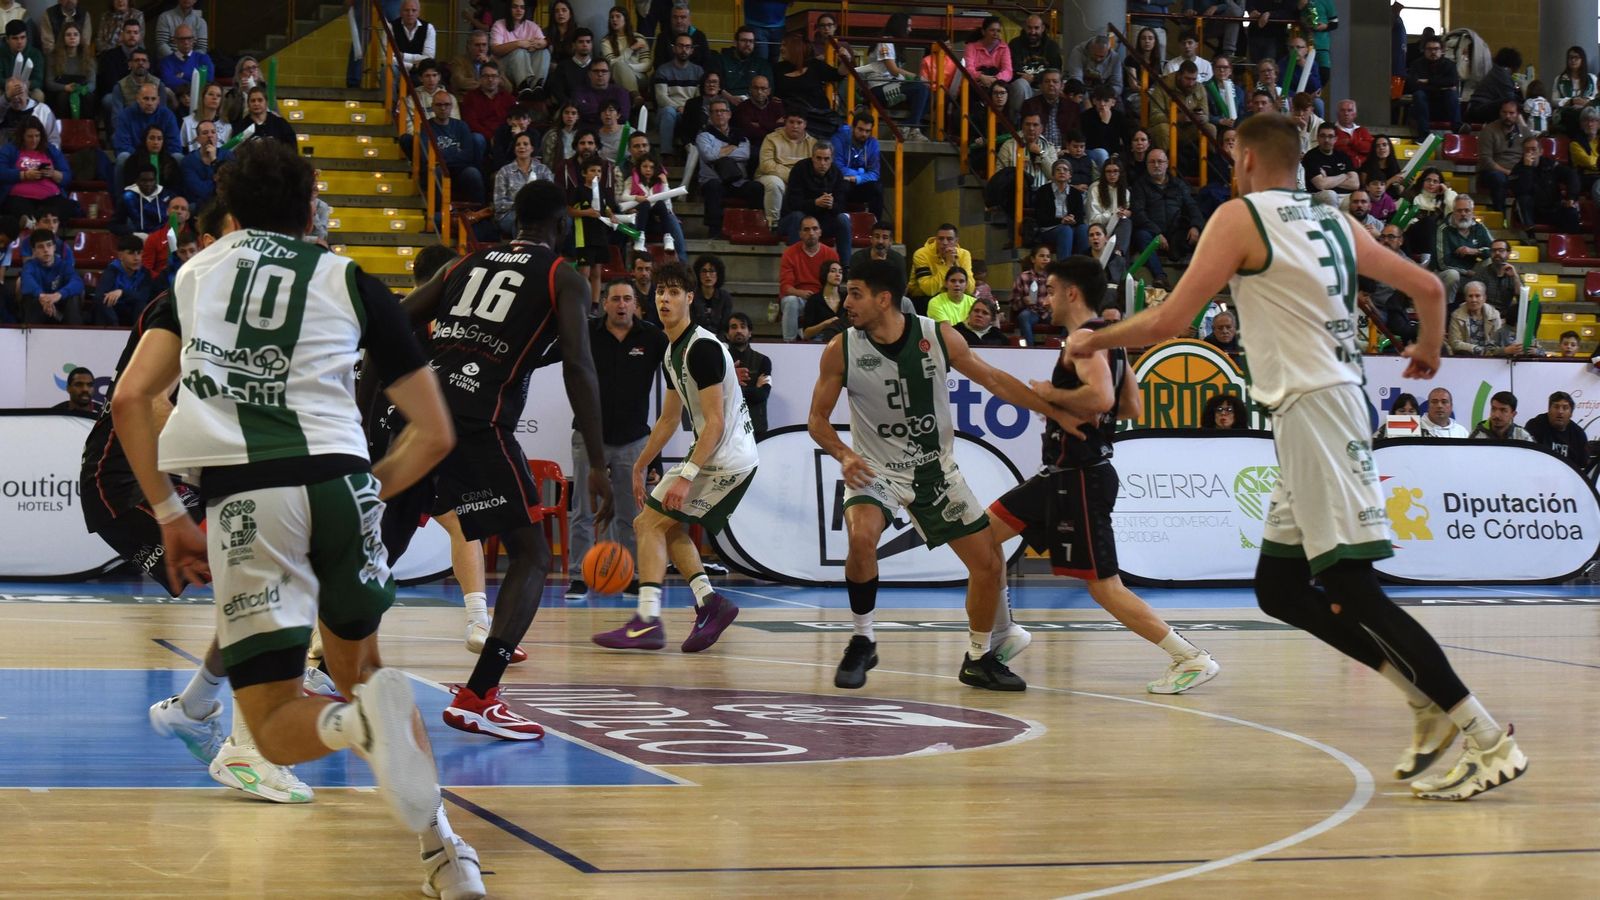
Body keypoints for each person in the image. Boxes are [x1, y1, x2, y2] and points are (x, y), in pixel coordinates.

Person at [1066, 112, 1527, 801]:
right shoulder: (1337, 221)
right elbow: (1431, 289)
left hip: (1314, 410)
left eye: (1231, 155)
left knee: (1352, 589)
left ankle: (1487, 737)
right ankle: (1421, 699)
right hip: (1322, 407)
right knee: (1279, 589)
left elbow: (1169, 323)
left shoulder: (1239, 216)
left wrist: (1093, 342)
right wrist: (1429, 349)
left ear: (1246, 159)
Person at [110, 138, 485, 896]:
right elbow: (437, 432)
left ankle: (352, 729)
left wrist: (167, 515)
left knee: (276, 721)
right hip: (342, 483)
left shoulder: (190, 277)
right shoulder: (351, 279)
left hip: (250, 499)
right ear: (311, 207)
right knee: (364, 671)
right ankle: (447, 857)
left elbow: (128, 400)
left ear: (230, 210)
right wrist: (369, 487)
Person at [397, 179, 612, 741]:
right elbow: (581, 369)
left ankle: (322, 668)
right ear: (562, 225)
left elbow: (396, 319)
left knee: (383, 547)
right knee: (532, 555)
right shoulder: (561, 276)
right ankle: (480, 695)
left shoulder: (465, 263)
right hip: (476, 423)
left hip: (421, 417)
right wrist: (596, 457)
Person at [807, 258, 1075, 691]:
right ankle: (862, 639)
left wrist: (1048, 408)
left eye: (855, 293)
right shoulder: (842, 347)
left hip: (935, 473)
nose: (846, 301)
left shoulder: (937, 336)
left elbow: (992, 378)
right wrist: (843, 453)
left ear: (884, 298)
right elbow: (817, 420)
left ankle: (978, 658)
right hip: (877, 470)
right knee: (860, 538)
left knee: (988, 563)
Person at [591, 260, 754, 653]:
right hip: (713, 454)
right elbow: (668, 416)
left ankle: (647, 620)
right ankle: (710, 603)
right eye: (661, 291)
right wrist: (642, 461)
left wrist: (685, 475)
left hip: (727, 457)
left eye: (675, 292)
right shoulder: (671, 352)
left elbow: (714, 422)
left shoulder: (702, 349)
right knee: (669, 526)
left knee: (648, 523)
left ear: (690, 298)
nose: (665, 298)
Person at [564, 277, 666, 599]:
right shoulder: (586, 333)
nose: (621, 305)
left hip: (633, 440)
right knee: (582, 507)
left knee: (630, 513)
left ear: (636, 304)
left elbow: (681, 374)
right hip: (588, 437)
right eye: (615, 299)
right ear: (604, 303)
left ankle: (632, 574)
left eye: (627, 299)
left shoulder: (652, 337)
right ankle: (578, 576)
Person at [1131, 148, 1204, 289]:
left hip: (1177, 230)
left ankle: (1195, 282)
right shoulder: (1139, 185)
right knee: (1141, 235)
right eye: (1152, 162)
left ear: (1167, 163)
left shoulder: (1179, 184)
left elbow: (1192, 207)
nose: (1156, 165)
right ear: (1146, 164)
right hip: (1152, 231)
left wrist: (1196, 226)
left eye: (1160, 161)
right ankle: (1160, 276)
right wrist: (1157, 233)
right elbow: (1138, 213)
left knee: (1202, 236)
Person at [695, 97, 760, 240]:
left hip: (738, 181)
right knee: (713, 187)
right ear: (710, 115)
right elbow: (709, 156)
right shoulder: (703, 136)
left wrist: (719, 152)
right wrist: (733, 147)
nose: (719, 114)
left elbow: (745, 154)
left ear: (729, 114)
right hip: (714, 180)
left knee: (757, 188)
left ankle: (753, 229)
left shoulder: (740, 135)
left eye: (723, 111)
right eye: (715, 111)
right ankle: (715, 231)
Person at [858, 14, 929, 140]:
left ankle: (909, 127)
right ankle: (911, 127)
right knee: (920, 88)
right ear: (899, 26)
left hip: (893, 86)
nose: (910, 30)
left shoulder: (895, 44)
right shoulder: (885, 42)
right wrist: (917, 78)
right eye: (908, 26)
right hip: (879, 89)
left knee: (929, 93)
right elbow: (894, 70)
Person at [779, 141, 852, 253]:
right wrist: (815, 203)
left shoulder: (837, 173)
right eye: (818, 158)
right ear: (812, 157)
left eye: (826, 159)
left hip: (822, 222)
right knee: (798, 216)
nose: (822, 163)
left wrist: (832, 205)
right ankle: (794, 264)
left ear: (831, 159)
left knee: (843, 219)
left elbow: (841, 207)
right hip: (796, 220)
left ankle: (845, 267)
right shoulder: (800, 169)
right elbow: (793, 204)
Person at [0, 115, 72, 222]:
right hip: (19, 197)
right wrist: (24, 175)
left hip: (49, 196)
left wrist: (53, 173)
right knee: (18, 208)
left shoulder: (50, 150)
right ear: (22, 136)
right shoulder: (9, 149)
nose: (34, 140)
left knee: (65, 207)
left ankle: (35, 223)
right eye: (30, 136)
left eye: (37, 136)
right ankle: (34, 223)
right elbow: (1, 172)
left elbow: (67, 177)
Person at [778, 215, 838, 341]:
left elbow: (834, 282)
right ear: (800, 233)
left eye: (815, 229)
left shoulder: (831, 254)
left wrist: (819, 297)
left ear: (820, 232)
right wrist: (800, 293)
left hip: (822, 299)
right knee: (790, 301)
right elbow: (785, 287)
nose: (811, 233)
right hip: (799, 299)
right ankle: (789, 343)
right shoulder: (789, 253)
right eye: (806, 229)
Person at [1509, 137, 1581, 234]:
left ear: (1540, 152)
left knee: (1571, 211)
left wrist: (1571, 197)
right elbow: (1521, 191)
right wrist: (1527, 168)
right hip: (1532, 212)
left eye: (1533, 149)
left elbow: (1571, 175)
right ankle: (1530, 239)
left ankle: (1571, 244)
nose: (1530, 152)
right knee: (1523, 199)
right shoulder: (1518, 169)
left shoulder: (1551, 165)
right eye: (1527, 150)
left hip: (1552, 208)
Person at [757, 112, 814, 231]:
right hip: (770, 175)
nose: (795, 126)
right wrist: (793, 177)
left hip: (800, 179)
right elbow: (766, 165)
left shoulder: (813, 143)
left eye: (799, 123)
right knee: (775, 183)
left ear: (805, 125)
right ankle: (774, 224)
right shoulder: (771, 138)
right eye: (791, 122)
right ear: (785, 122)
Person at [493, 131, 554, 236]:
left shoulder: (543, 170)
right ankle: (523, 251)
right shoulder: (504, 172)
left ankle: (548, 252)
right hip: (511, 213)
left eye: (525, 144)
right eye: (518, 144)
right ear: (514, 149)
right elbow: (499, 204)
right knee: (525, 223)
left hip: (539, 211)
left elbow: (551, 197)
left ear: (532, 149)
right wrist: (522, 205)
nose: (521, 147)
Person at [20, 226, 82, 323]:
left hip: (61, 308)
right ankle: (33, 334)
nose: (46, 250)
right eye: (40, 246)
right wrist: (42, 297)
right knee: (30, 297)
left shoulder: (64, 265)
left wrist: (58, 295)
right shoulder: (30, 265)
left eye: (49, 245)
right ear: (34, 251)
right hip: (40, 308)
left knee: (74, 296)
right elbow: (27, 283)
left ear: (54, 247)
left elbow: (77, 282)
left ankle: (75, 332)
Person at [1435, 196, 1491, 304]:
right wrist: (1466, 272)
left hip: (1473, 271)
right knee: (1453, 274)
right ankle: (1446, 308)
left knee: (1491, 262)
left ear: (1472, 212)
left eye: (1467, 210)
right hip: (1449, 274)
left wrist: (1474, 251)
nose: (1463, 214)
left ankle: (1488, 304)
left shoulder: (1479, 227)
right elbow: (1442, 263)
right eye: (1459, 211)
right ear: (1453, 212)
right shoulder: (1443, 229)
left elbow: (1492, 249)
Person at [724, 312, 772, 437]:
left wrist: (733, 389)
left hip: (756, 427)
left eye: (743, 326)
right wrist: (754, 388)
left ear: (750, 332)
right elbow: (719, 394)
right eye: (734, 327)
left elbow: (762, 394)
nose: (739, 330)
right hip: (727, 428)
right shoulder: (720, 361)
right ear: (727, 334)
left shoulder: (764, 361)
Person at [652, 32, 702, 151]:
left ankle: (694, 154)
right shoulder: (663, 70)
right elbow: (661, 98)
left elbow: (699, 97)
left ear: (691, 50)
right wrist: (678, 108)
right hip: (668, 113)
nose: (684, 50)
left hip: (689, 114)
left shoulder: (698, 71)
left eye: (687, 47)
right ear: (674, 48)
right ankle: (666, 153)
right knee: (669, 111)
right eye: (680, 46)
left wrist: (688, 109)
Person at [1476, 99, 1527, 214]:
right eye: (1504, 112)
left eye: (1511, 113)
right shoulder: (1489, 130)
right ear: (1500, 113)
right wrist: (1508, 172)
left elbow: (1534, 152)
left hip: (1518, 172)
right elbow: (1486, 160)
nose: (1507, 116)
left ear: (1518, 115)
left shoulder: (1524, 132)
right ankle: (1500, 216)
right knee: (1498, 178)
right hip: (1492, 172)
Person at [1406, 34, 1460, 139]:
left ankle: (1458, 131)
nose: (1433, 52)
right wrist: (1441, 86)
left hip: (1443, 104)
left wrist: (1427, 81)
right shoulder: (1416, 64)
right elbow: (1412, 85)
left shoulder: (1449, 65)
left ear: (1442, 50)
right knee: (1419, 94)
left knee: (1451, 94)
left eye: (1436, 49)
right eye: (1429, 49)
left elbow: (1453, 81)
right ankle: (1424, 135)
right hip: (1423, 104)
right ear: (1424, 50)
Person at [490, 0, 549, 92]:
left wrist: (541, 44)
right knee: (519, 52)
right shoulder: (499, 24)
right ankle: (523, 88)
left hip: (529, 64)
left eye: (522, 7)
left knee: (544, 52)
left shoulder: (531, 25)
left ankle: (537, 87)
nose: (519, 10)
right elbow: (495, 49)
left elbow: (544, 42)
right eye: (515, 7)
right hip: (505, 66)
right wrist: (518, 44)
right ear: (509, 9)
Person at [1008, 14, 1061, 115]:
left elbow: (1056, 70)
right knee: (1020, 84)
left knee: (1054, 85)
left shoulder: (1052, 46)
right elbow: (1013, 70)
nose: (1032, 32)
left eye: (1036, 28)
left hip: (1044, 85)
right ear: (1024, 27)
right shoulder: (1015, 44)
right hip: (1023, 86)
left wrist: (1035, 78)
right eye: (1029, 28)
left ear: (1043, 28)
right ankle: (1018, 123)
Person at [832, 114, 882, 220]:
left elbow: (875, 173)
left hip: (860, 183)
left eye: (867, 131)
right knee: (842, 185)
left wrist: (857, 178)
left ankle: (876, 225)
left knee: (878, 187)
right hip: (843, 183)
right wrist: (861, 173)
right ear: (853, 127)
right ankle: (840, 222)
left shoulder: (873, 143)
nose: (863, 134)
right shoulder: (839, 139)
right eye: (860, 129)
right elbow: (837, 167)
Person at [910, 224, 972, 309]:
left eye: (949, 239)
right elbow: (929, 290)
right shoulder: (922, 254)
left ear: (956, 241)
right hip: (923, 299)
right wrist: (948, 265)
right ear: (936, 239)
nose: (945, 243)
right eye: (941, 239)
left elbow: (970, 289)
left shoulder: (964, 254)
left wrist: (955, 263)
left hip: (951, 297)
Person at [1525, 391, 1588, 471]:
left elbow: (1582, 466)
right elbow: (1527, 458)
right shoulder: (1535, 426)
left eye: (1565, 408)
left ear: (1571, 413)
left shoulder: (1578, 434)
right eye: (1556, 407)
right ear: (1549, 410)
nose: (1560, 411)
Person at [44, 20, 94, 120]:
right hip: (61, 92)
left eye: (76, 34)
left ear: (80, 38)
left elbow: (92, 84)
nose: (72, 37)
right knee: (63, 98)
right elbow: (48, 83)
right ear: (63, 38)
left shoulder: (88, 58)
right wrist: (65, 88)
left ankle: (86, 129)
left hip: (81, 91)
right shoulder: (53, 57)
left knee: (88, 97)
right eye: (68, 35)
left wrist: (81, 89)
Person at [1447, 281, 1511, 357]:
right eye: (1470, 296)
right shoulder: (1456, 315)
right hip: (1465, 357)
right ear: (1465, 298)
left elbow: (1498, 342)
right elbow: (1455, 343)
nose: (1474, 300)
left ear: (1484, 298)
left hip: (1490, 359)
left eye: (1477, 296)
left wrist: (1490, 352)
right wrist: (1480, 350)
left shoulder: (1494, 314)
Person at [1010, 243, 1053, 347]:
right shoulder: (1023, 277)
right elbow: (1013, 303)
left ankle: (1059, 348)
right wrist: (1023, 301)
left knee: (1068, 317)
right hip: (1031, 312)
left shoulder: (1053, 278)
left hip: (1048, 313)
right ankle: (1030, 349)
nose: (1045, 259)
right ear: (1033, 259)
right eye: (1042, 256)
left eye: (1048, 256)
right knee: (1024, 317)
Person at [1303, 122, 1358, 194]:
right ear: (1317, 138)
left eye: (1330, 136)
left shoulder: (1343, 155)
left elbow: (1355, 184)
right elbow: (1321, 185)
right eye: (1323, 136)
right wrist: (1344, 176)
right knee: (1330, 194)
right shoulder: (1311, 156)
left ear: (1335, 139)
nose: (1326, 140)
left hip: (1345, 197)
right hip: (1320, 196)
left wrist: (1327, 179)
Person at [232, 85, 296, 146]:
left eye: (260, 100)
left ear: (266, 103)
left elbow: (291, 149)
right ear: (248, 104)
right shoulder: (240, 127)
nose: (256, 103)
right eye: (253, 101)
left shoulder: (281, 124)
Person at [155, 24, 209, 97]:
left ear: (193, 40)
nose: (186, 42)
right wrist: (194, 82)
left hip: (199, 98)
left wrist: (183, 75)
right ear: (175, 40)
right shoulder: (166, 62)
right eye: (182, 39)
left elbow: (207, 80)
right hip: (177, 99)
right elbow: (168, 81)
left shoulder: (203, 59)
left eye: (189, 38)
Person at [800, 258, 847, 342]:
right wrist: (825, 324)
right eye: (833, 271)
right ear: (825, 274)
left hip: (842, 338)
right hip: (820, 339)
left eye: (840, 272)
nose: (838, 274)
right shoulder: (814, 300)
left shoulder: (846, 298)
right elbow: (806, 334)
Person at [1066, 34, 1123, 99]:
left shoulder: (1115, 57)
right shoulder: (1078, 52)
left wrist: (1105, 97)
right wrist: (1086, 99)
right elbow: (1076, 79)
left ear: (1108, 51)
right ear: (1090, 48)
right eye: (1095, 55)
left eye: (1102, 56)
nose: (1098, 59)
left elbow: (1117, 85)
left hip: (1104, 92)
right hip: (1082, 88)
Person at [732, 73, 784, 144]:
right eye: (756, 88)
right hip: (752, 146)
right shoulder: (742, 107)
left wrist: (760, 124)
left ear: (769, 91)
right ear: (750, 89)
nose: (759, 92)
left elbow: (783, 128)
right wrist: (773, 125)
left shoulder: (777, 106)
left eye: (763, 88)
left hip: (776, 144)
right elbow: (749, 132)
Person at [689, 253, 732, 333]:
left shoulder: (725, 297)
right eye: (704, 271)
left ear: (718, 274)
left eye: (712, 271)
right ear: (698, 274)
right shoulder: (691, 296)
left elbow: (725, 327)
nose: (708, 275)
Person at [390, 0, 436, 71]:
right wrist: (411, 66)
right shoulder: (391, 26)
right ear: (400, 12)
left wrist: (403, 56)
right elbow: (387, 57)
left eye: (414, 10)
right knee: (388, 70)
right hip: (398, 69)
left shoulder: (429, 28)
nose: (410, 14)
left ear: (419, 13)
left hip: (421, 70)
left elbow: (429, 58)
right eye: (406, 10)